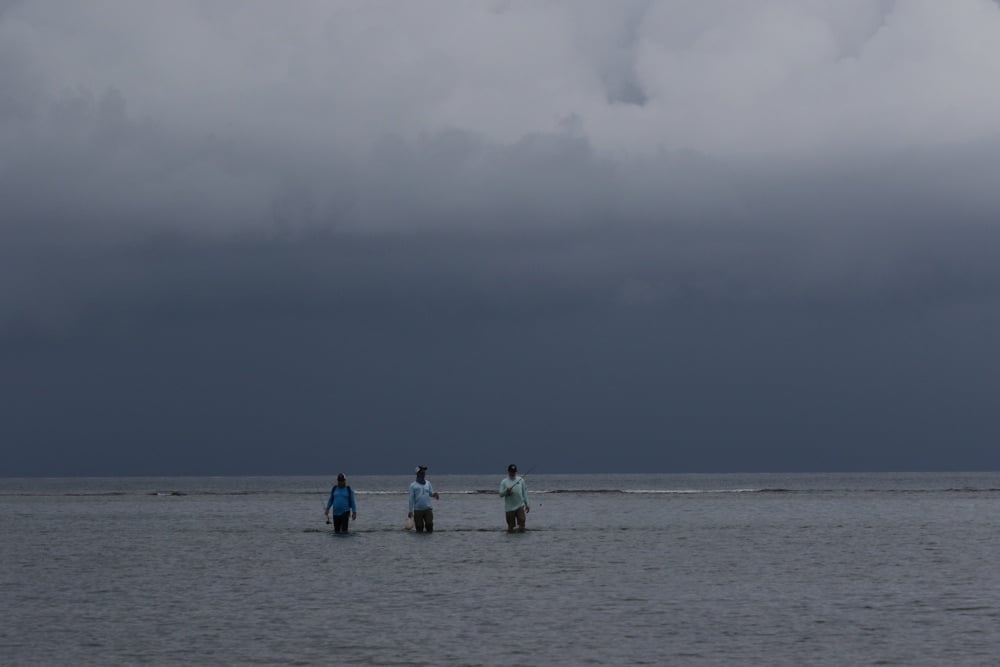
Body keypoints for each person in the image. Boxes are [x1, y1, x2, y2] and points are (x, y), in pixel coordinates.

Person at [408, 465, 440, 533]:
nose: (423, 473)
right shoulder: (413, 485)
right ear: (418, 473)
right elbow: (411, 499)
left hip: (428, 509)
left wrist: (435, 494)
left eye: (424, 472)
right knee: (419, 528)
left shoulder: (428, 483)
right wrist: (410, 511)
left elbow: (431, 493)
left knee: (429, 525)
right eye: (422, 472)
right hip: (418, 510)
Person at [499, 464, 529, 532]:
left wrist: (527, 504)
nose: (513, 473)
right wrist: (506, 491)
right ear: (508, 471)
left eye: (514, 472)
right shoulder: (504, 482)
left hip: (520, 506)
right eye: (511, 472)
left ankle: (521, 540)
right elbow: (500, 494)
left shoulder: (521, 480)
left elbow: (524, 493)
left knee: (522, 523)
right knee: (510, 527)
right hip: (509, 508)